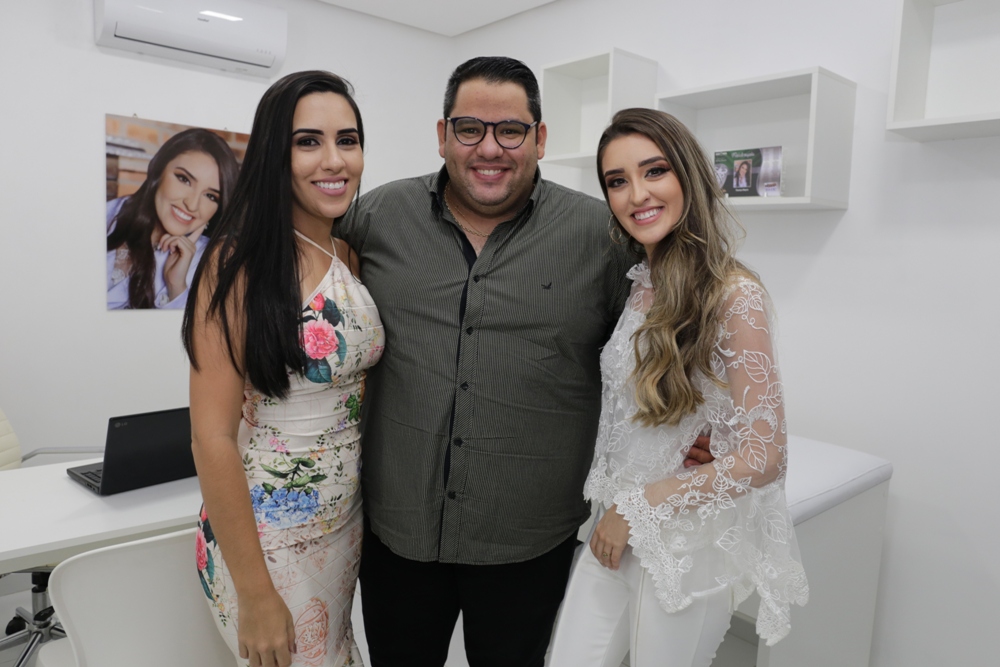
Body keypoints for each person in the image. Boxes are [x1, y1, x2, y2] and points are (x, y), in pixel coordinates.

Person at [334, 57, 712, 667]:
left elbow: (664, 336)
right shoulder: (378, 216)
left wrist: (699, 427)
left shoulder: (603, 236)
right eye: (469, 129)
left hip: (529, 540)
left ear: (540, 138)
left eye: (510, 130)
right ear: (442, 135)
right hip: (398, 531)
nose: (490, 149)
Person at [547, 108, 809, 667]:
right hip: (614, 529)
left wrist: (636, 508)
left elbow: (765, 455)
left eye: (654, 171)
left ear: (687, 175)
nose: (637, 194)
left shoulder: (734, 295)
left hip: (684, 547)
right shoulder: (640, 282)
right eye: (617, 181)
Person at [182, 70, 383, 667]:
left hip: (343, 522)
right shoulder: (236, 263)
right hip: (267, 538)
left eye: (348, 140)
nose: (334, 160)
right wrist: (255, 594)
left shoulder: (346, 252)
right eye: (308, 142)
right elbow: (211, 437)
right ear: (275, 153)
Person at [106, 127, 239, 309]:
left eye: (210, 196)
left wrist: (176, 287)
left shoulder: (213, 264)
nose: (192, 205)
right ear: (158, 171)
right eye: (184, 179)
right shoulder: (109, 213)